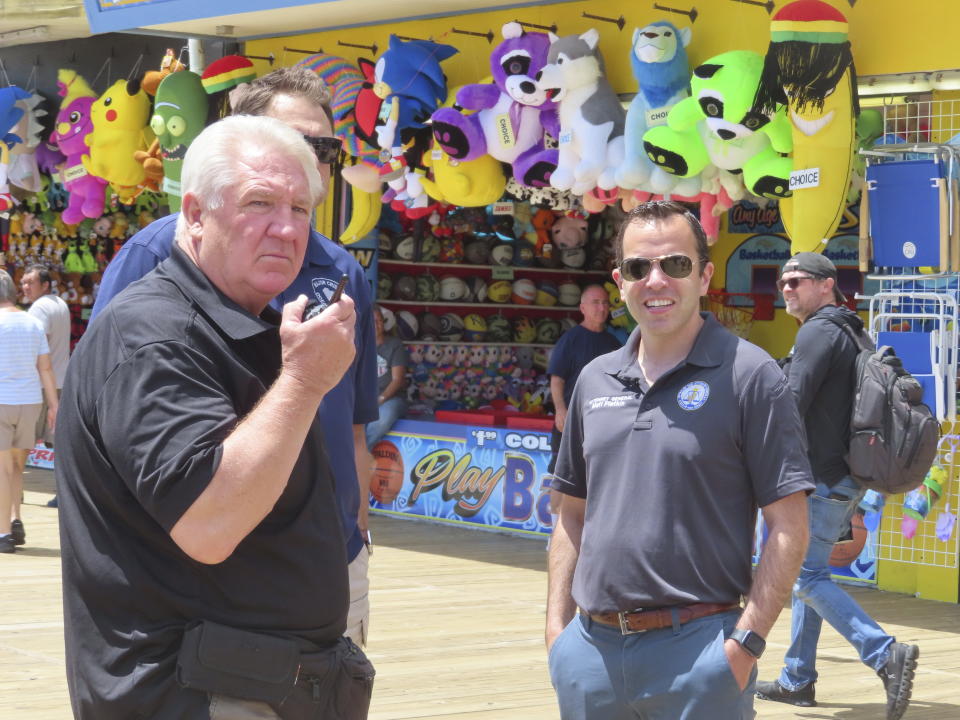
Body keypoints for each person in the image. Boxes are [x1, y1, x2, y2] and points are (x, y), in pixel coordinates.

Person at [57, 116, 371, 719]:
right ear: (196, 214)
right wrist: (304, 381)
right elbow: (209, 521)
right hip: (200, 694)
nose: (286, 228)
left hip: (254, 683)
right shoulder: (153, 334)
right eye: (260, 204)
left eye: (301, 210)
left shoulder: (239, 322)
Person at [546, 200, 814, 719]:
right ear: (620, 280)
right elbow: (571, 513)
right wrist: (558, 634)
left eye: (675, 264)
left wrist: (744, 647)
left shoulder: (750, 375)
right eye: (638, 267)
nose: (656, 280)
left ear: (705, 275)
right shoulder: (594, 379)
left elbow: (788, 524)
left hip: (701, 654)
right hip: (590, 656)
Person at [756, 252, 920, 720]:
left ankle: (883, 652)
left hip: (821, 476)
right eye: (782, 281)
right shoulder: (851, 329)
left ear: (827, 284)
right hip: (844, 473)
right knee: (811, 573)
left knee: (803, 576)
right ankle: (797, 679)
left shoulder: (818, 330)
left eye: (797, 281)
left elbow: (790, 402)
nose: (786, 288)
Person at [0, 269, 58, 553]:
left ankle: (3, 533)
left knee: (1, 469)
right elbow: (45, 367)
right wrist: (54, 406)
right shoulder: (32, 322)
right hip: (30, 401)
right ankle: (16, 519)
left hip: (1, 401)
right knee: (16, 467)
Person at [546, 283, 620, 475]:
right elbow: (556, 379)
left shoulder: (614, 344)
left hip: (601, 426)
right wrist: (560, 410)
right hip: (571, 423)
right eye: (596, 302)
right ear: (583, 308)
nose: (602, 308)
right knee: (563, 479)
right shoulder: (570, 340)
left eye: (605, 303)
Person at [21, 263, 71, 509]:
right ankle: (64, 493)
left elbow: (33, 347)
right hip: (60, 381)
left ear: (45, 285)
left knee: (21, 441)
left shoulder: (39, 309)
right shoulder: (60, 304)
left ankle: (13, 492)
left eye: (30, 282)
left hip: (42, 385)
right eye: (23, 282)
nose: (25, 287)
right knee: (58, 442)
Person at [366, 305, 408, 448]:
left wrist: (380, 399)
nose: (376, 325)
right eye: (372, 321)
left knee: (381, 420)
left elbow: (397, 380)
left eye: (379, 321)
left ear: (384, 323)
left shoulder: (394, 345)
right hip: (365, 400)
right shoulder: (359, 345)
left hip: (391, 399)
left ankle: (361, 454)